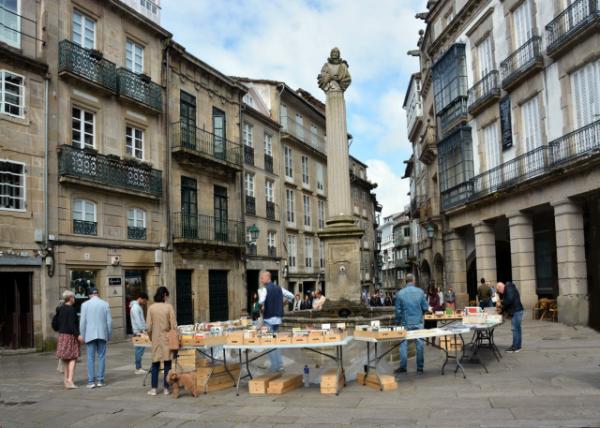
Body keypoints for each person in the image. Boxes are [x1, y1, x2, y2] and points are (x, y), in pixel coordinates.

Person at [258, 271, 294, 371]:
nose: (261, 280)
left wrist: (261, 307)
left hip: (268, 319)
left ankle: (275, 366)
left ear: (267, 277)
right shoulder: (279, 288)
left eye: (262, 278)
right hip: (278, 319)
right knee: (275, 342)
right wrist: (283, 304)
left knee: (269, 342)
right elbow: (291, 296)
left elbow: (261, 302)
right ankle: (280, 365)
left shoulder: (264, 289)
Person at [395, 273, 430, 374]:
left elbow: (398, 311)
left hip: (405, 322)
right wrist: (420, 315)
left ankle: (403, 367)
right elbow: (425, 308)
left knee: (403, 344)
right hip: (418, 322)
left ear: (406, 281)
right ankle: (420, 368)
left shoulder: (400, 293)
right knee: (419, 345)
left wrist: (397, 322)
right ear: (414, 281)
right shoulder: (420, 292)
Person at [146, 286, 177, 396]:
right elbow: (173, 324)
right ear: (164, 295)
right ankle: (166, 388)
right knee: (167, 363)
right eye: (167, 295)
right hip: (166, 338)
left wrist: (151, 337)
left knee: (155, 364)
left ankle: (154, 389)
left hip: (155, 339)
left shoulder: (151, 308)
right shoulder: (169, 307)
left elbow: (148, 327)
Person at [79, 287, 112, 389]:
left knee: (90, 358)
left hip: (90, 334)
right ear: (97, 294)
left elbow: (83, 322)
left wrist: (82, 335)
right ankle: (100, 380)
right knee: (101, 357)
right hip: (102, 334)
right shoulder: (105, 304)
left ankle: (91, 381)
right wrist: (109, 335)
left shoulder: (85, 305)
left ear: (89, 295)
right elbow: (109, 322)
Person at [56, 290, 83, 389]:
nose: (74, 298)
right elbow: (72, 325)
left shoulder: (60, 309)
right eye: (73, 297)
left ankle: (66, 381)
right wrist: (78, 335)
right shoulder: (71, 309)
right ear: (70, 298)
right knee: (73, 358)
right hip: (70, 336)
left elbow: (55, 324)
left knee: (66, 359)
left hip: (62, 336)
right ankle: (70, 380)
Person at [496, 281, 524, 353]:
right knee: (517, 329)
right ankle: (517, 346)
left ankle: (515, 347)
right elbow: (509, 300)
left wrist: (501, 303)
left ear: (500, 288)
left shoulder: (508, 288)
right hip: (517, 310)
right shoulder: (509, 288)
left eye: (499, 291)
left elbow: (509, 301)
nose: (500, 293)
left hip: (516, 311)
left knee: (515, 329)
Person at [130, 291, 148, 375]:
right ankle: (138, 368)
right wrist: (143, 331)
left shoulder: (137, 307)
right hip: (138, 332)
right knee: (139, 350)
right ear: (141, 299)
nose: (144, 303)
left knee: (140, 350)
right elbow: (138, 320)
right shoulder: (135, 307)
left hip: (139, 331)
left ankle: (138, 367)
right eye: (144, 301)